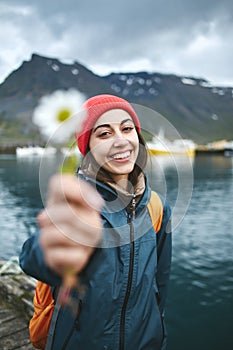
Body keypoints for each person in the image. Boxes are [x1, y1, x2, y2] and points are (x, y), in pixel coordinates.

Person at [20, 94, 172, 350]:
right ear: (88, 148)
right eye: (104, 134)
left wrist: (159, 335)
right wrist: (47, 249)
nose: (120, 140)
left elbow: (161, 283)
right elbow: (32, 258)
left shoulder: (157, 207)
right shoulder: (76, 204)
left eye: (127, 129)